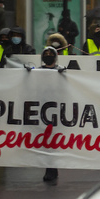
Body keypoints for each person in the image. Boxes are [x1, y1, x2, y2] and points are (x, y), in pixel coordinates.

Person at [40, 46, 64, 182]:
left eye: (50, 54)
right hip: (41, 109)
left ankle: (52, 169)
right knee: (45, 141)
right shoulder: (37, 71)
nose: (48, 55)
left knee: (53, 141)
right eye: (46, 54)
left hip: (56, 110)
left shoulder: (61, 71)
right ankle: (49, 168)